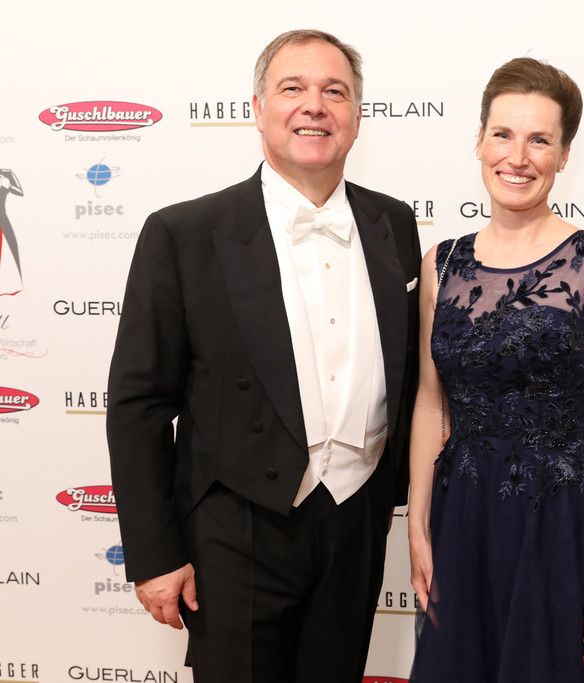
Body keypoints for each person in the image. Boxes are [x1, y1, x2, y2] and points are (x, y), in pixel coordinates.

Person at [106, 29, 421, 683]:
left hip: (355, 523)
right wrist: (155, 552)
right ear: (257, 108)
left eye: (335, 91)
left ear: (358, 114)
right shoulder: (184, 233)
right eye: (292, 88)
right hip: (235, 529)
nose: (315, 106)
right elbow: (139, 404)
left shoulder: (393, 223)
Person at [407, 57, 584, 681]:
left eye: (540, 140)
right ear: (479, 141)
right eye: (503, 134)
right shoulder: (442, 264)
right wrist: (417, 526)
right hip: (465, 523)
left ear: (564, 155)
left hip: (566, 526)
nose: (517, 157)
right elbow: (431, 404)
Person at [0, 168, 24, 296]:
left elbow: (20, 192)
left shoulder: (5, 175)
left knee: (9, 248)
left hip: (2, 219)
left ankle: (9, 284)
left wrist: (8, 184)